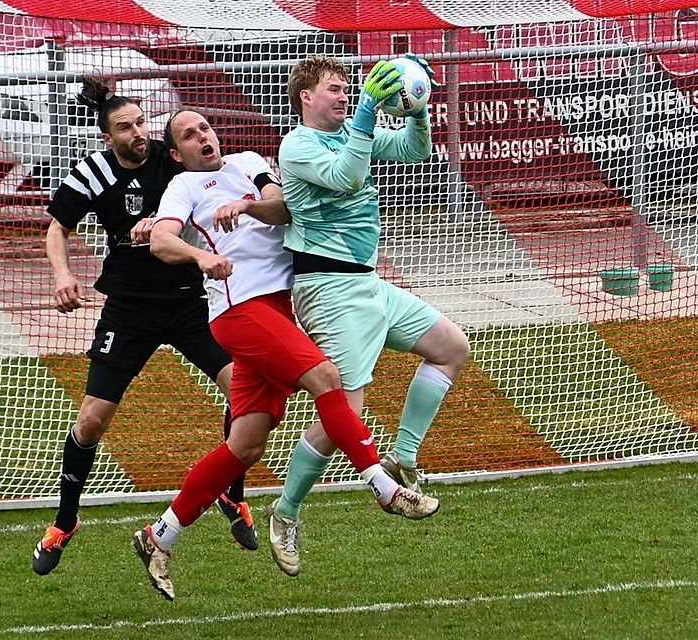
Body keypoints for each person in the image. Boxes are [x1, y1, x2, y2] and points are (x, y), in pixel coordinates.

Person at [132, 108, 439, 601]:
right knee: (326, 378)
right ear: (176, 154)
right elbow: (162, 241)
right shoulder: (183, 187)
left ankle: (159, 535)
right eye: (188, 135)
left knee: (245, 446)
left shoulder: (248, 162)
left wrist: (248, 205)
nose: (202, 137)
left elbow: (282, 207)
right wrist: (202, 256)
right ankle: (385, 488)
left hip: (277, 308)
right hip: (240, 311)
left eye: (204, 128)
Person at [31, 79, 257, 577]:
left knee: (244, 393)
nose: (138, 133)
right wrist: (63, 275)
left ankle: (232, 493)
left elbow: (206, 185)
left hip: (189, 301)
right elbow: (57, 228)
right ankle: (64, 522)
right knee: (92, 420)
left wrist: (162, 220)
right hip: (129, 309)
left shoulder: (169, 158)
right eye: (125, 128)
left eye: (141, 122)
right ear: (107, 137)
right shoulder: (93, 171)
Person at [268, 55, 470, 576]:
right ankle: (285, 512)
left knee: (450, 347)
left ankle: (403, 457)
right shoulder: (298, 145)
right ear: (305, 98)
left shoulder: (350, 131)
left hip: (366, 282)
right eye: (333, 89)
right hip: (328, 289)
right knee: (342, 418)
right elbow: (347, 176)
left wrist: (418, 111)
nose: (343, 95)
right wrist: (363, 112)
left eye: (346, 89)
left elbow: (414, 151)